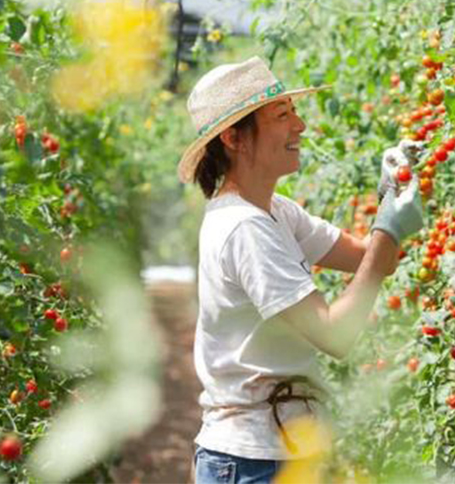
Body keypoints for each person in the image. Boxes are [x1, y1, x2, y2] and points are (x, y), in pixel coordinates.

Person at [177, 56, 424, 484]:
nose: (300, 126)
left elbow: (369, 257)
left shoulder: (275, 212)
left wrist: (390, 197)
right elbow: (335, 334)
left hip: (277, 452)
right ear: (235, 138)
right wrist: (389, 226)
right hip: (251, 461)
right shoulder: (244, 229)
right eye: (283, 115)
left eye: (295, 111)